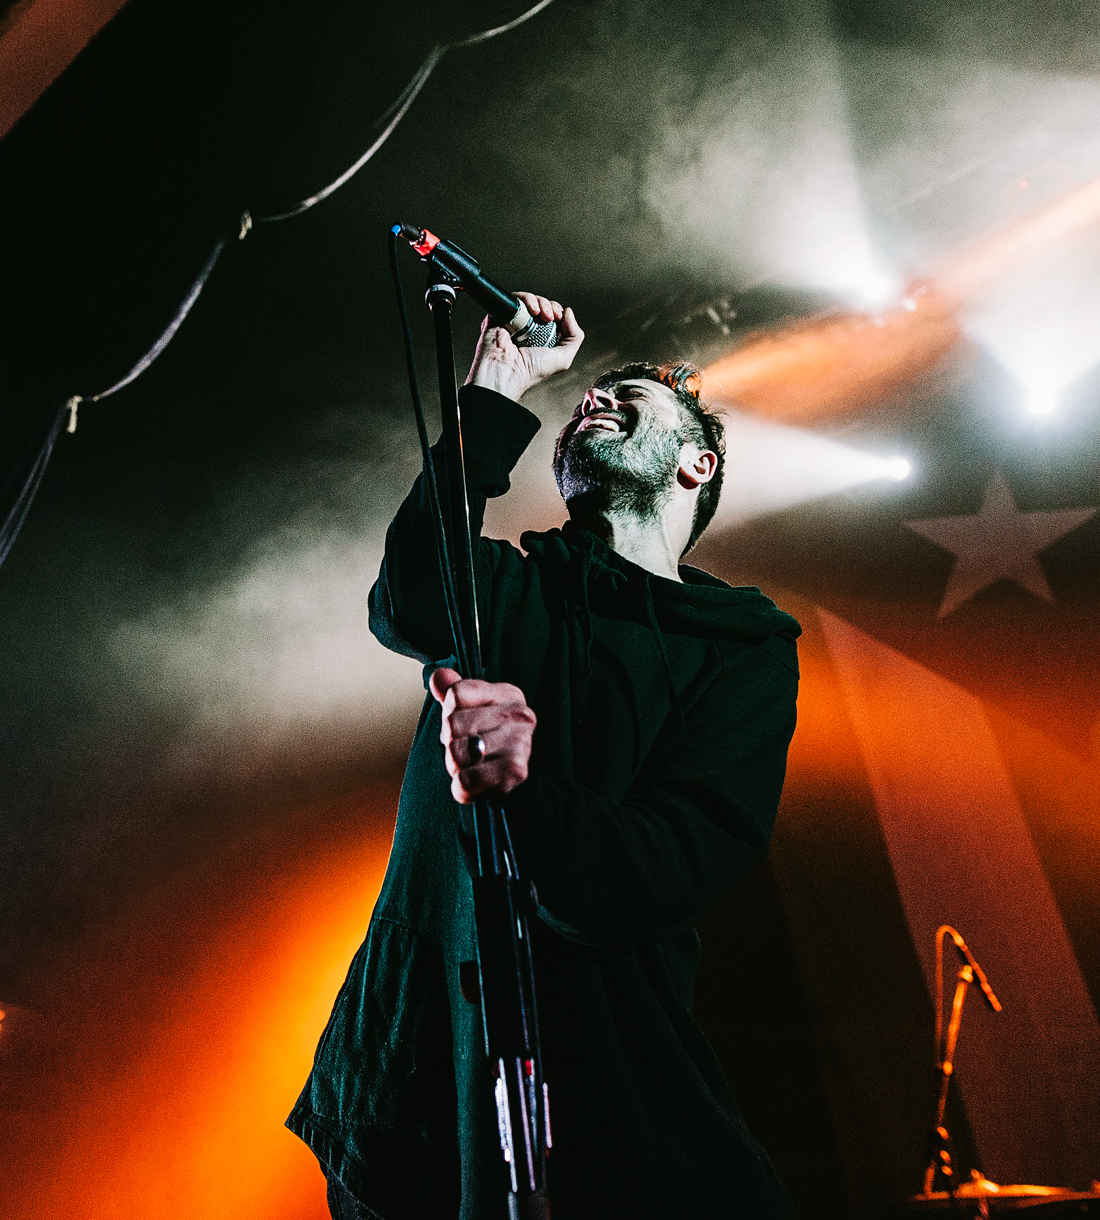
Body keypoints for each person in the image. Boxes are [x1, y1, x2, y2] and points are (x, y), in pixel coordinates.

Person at [288, 293, 802, 1218]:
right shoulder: (506, 586)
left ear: (698, 461)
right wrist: (497, 385)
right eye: (591, 394)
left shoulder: (743, 649)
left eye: (632, 392)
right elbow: (404, 598)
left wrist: (528, 795)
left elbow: (674, 856)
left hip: (612, 1083)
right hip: (421, 1075)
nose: (597, 395)